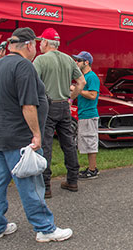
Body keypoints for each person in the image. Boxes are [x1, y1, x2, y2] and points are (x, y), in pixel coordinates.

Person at [0, 27, 72, 242]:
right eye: (35, 44)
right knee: (31, 183)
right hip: (18, 137)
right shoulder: (23, 66)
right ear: (29, 45)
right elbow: (28, 105)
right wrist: (36, 134)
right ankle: (45, 228)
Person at [33, 28, 86, 198]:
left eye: (41, 41)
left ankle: (46, 185)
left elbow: (32, 83)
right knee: (68, 143)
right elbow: (81, 81)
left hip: (47, 105)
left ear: (47, 42)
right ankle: (72, 180)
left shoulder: (40, 60)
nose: (40, 44)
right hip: (64, 105)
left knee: (46, 144)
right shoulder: (68, 59)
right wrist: (71, 98)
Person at [72, 51, 100, 178]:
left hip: (89, 114)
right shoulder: (84, 77)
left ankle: (92, 170)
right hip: (83, 113)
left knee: (90, 141)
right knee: (86, 142)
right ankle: (90, 167)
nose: (76, 62)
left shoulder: (92, 77)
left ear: (86, 62)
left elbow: (93, 95)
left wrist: (78, 90)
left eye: (78, 60)